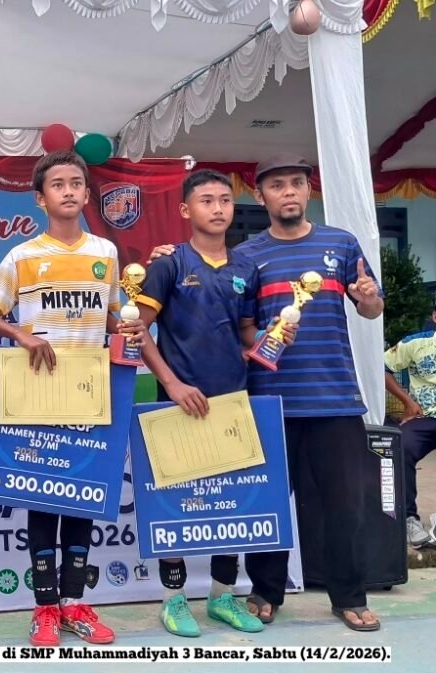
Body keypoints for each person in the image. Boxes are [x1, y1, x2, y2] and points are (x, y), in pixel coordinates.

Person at [149, 153, 384, 632]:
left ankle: (349, 597)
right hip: (265, 399)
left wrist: (368, 299)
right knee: (265, 504)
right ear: (260, 196)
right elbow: (243, 330)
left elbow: (372, 308)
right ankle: (265, 592)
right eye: (277, 186)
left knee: (346, 505)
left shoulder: (341, 244)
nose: (289, 192)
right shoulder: (247, 256)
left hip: (336, 397)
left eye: (297, 183)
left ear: (308, 190)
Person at [0, 151, 146, 647]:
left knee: (83, 498)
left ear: (87, 194)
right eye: (58, 184)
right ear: (40, 198)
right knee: (43, 499)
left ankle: (76, 604)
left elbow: (115, 315)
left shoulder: (105, 252)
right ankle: (45, 608)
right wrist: (20, 335)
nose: (68, 191)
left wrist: (128, 330)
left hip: (90, 395)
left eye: (75, 183)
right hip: (39, 395)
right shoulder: (23, 256)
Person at [136, 170, 272, 637]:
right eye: (207, 200)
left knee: (230, 506)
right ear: (185, 210)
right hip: (176, 405)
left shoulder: (246, 269)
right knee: (174, 504)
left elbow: (246, 335)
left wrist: (275, 340)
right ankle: (172, 600)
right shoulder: (169, 264)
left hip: (233, 404)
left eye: (225, 200)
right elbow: (137, 332)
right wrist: (172, 384)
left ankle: (221, 597)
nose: (217, 208)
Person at [383, 300, 436, 548]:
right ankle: (408, 518)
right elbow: (383, 367)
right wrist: (408, 402)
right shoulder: (414, 343)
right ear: (434, 317)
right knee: (400, 446)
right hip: (423, 417)